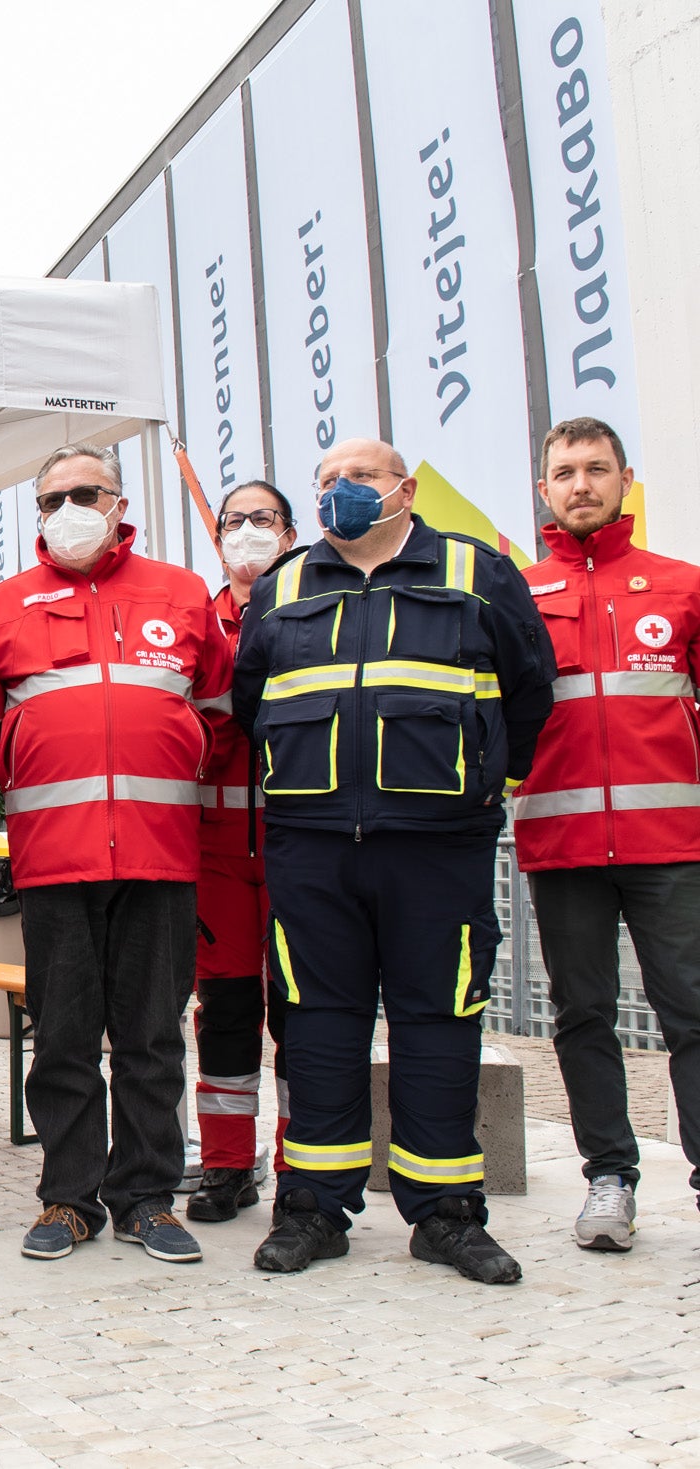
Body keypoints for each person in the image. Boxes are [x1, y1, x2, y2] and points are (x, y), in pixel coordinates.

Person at [234, 437, 553, 1283]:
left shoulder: (475, 573)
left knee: (440, 1022)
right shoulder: (283, 586)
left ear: (405, 489)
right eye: (329, 480)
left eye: (362, 477)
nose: (344, 490)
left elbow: (529, 693)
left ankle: (446, 1214)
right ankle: (315, 1208)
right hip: (313, 848)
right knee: (317, 1027)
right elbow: (248, 704)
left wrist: (478, 789)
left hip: (439, 851)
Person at [0, 444, 231, 1267]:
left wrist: (164, 756)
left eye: (84, 492)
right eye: (51, 499)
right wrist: (41, 763)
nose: (68, 508)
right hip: (54, 858)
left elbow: (216, 712)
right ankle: (69, 1198)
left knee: (152, 1036)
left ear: (118, 501)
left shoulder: (179, 593)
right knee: (66, 1036)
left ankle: (147, 1196)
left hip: (159, 855)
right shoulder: (3, 605)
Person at [510, 417, 700, 1251]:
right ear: (543, 489)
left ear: (625, 479)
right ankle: (610, 1180)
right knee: (582, 1015)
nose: (581, 484)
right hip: (565, 847)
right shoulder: (514, 595)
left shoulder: (681, 586)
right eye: (565, 472)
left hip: (673, 843)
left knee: (692, 1014)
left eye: (596, 469)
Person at [186, 480, 296, 1224]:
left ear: (289, 534)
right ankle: (227, 1164)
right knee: (224, 1009)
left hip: (302, 849)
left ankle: (305, 1164)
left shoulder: (315, 607)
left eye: (263, 519)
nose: (247, 531)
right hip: (217, 851)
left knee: (304, 1012)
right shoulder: (194, 619)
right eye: (235, 520)